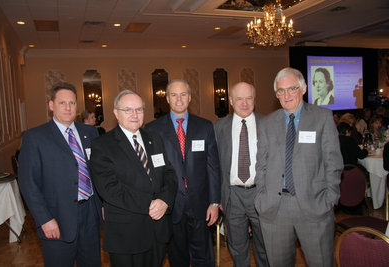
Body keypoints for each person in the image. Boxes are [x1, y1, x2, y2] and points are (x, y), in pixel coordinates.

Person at [255, 67, 343, 267]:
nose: (286, 95)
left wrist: (330, 199)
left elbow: (333, 163)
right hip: (275, 209)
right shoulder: (267, 123)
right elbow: (261, 165)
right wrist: (261, 197)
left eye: (291, 89)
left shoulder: (322, 117)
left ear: (303, 89)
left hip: (314, 205)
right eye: (280, 91)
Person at [18, 82, 102, 267]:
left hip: (90, 215)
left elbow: (99, 172)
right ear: (51, 105)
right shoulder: (35, 137)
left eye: (72, 103)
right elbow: (28, 183)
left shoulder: (90, 132)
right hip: (57, 218)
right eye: (62, 103)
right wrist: (44, 219)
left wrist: (103, 205)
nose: (68, 108)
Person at [90, 90, 177, 267]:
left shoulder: (154, 139)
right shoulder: (102, 145)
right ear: (116, 112)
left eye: (139, 109)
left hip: (158, 230)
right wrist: (151, 204)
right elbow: (110, 189)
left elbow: (169, 174)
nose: (135, 115)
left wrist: (164, 200)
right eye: (128, 110)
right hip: (127, 234)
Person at [145, 79, 221, 267]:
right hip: (171, 206)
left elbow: (212, 167)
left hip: (201, 205)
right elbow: (152, 172)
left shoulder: (205, 126)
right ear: (167, 99)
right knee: (177, 258)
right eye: (174, 95)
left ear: (190, 98)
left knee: (204, 258)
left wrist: (214, 202)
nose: (179, 99)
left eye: (183, 94)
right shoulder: (153, 129)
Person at [214, 82, 269, 267]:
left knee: (265, 246)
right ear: (231, 101)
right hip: (232, 195)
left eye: (249, 98)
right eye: (239, 98)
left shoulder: (268, 124)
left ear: (255, 99)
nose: (244, 103)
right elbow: (213, 166)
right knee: (237, 246)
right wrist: (216, 197)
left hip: (261, 193)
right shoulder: (218, 127)